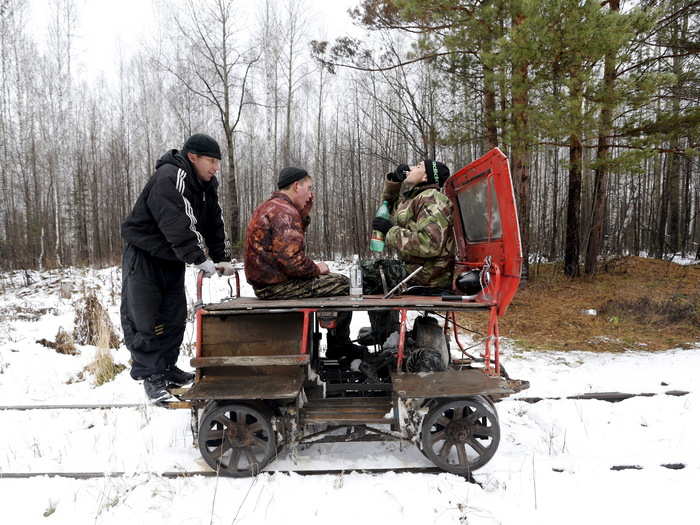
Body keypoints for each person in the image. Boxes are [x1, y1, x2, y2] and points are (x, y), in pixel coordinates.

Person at [120, 133, 235, 402]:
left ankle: (167, 367)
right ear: (192, 157)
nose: (215, 167)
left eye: (218, 161)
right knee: (146, 317)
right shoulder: (171, 177)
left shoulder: (206, 185)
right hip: (145, 255)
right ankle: (151, 375)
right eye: (211, 161)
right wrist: (198, 257)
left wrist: (221, 257)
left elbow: (213, 222)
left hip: (171, 257)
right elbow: (177, 221)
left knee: (172, 315)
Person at [244, 167, 363, 359]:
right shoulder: (285, 212)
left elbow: (288, 247)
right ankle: (340, 347)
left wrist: (304, 214)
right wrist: (317, 269)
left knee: (333, 282)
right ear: (296, 186)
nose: (310, 194)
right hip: (276, 287)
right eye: (309, 188)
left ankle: (332, 341)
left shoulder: (272, 206)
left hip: (267, 282)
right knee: (342, 283)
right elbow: (292, 262)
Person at [364, 159, 455, 344]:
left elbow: (429, 243)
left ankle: (387, 336)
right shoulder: (417, 197)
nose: (411, 168)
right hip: (417, 268)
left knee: (367, 274)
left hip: (427, 274)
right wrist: (395, 181)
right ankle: (387, 333)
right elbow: (391, 204)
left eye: (418, 166)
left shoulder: (432, 198)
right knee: (369, 272)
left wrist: (390, 231)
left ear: (426, 176)